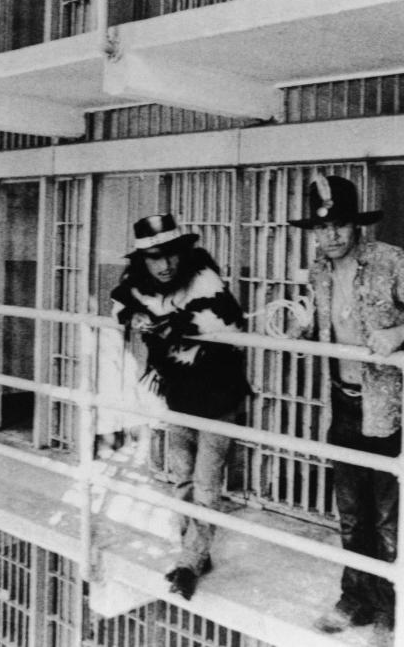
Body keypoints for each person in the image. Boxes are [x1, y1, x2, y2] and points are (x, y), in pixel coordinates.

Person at [288, 175, 404, 646]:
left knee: (387, 515)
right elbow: (329, 328)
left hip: (390, 405)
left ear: (355, 225)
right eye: (322, 229)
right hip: (343, 401)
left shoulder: (390, 260)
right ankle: (355, 597)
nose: (331, 236)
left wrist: (401, 334)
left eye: (340, 225)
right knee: (350, 513)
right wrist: (305, 332)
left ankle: (394, 609)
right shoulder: (318, 268)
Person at [110, 213, 250, 601]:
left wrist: (178, 325)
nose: (165, 264)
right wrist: (137, 316)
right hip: (179, 396)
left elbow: (230, 327)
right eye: (155, 257)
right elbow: (118, 305)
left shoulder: (205, 277)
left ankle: (189, 561)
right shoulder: (138, 284)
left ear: (183, 253)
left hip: (220, 395)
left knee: (206, 484)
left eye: (171, 254)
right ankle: (194, 550)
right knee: (182, 477)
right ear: (144, 260)